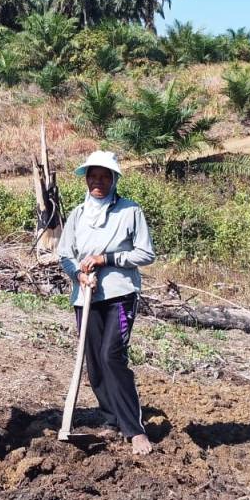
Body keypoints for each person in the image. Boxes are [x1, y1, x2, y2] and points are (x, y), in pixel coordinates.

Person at [57, 150, 157, 456]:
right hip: (85, 296)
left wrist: (108, 259)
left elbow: (146, 253)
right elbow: (65, 254)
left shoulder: (130, 211)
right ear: (86, 179)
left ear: (113, 179)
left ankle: (134, 429)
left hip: (119, 295)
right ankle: (112, 418)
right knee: (95, 363)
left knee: (112, 356)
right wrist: (78, 275)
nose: (98, 182)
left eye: (105, 176)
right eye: (93, 176)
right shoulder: (77, 214)